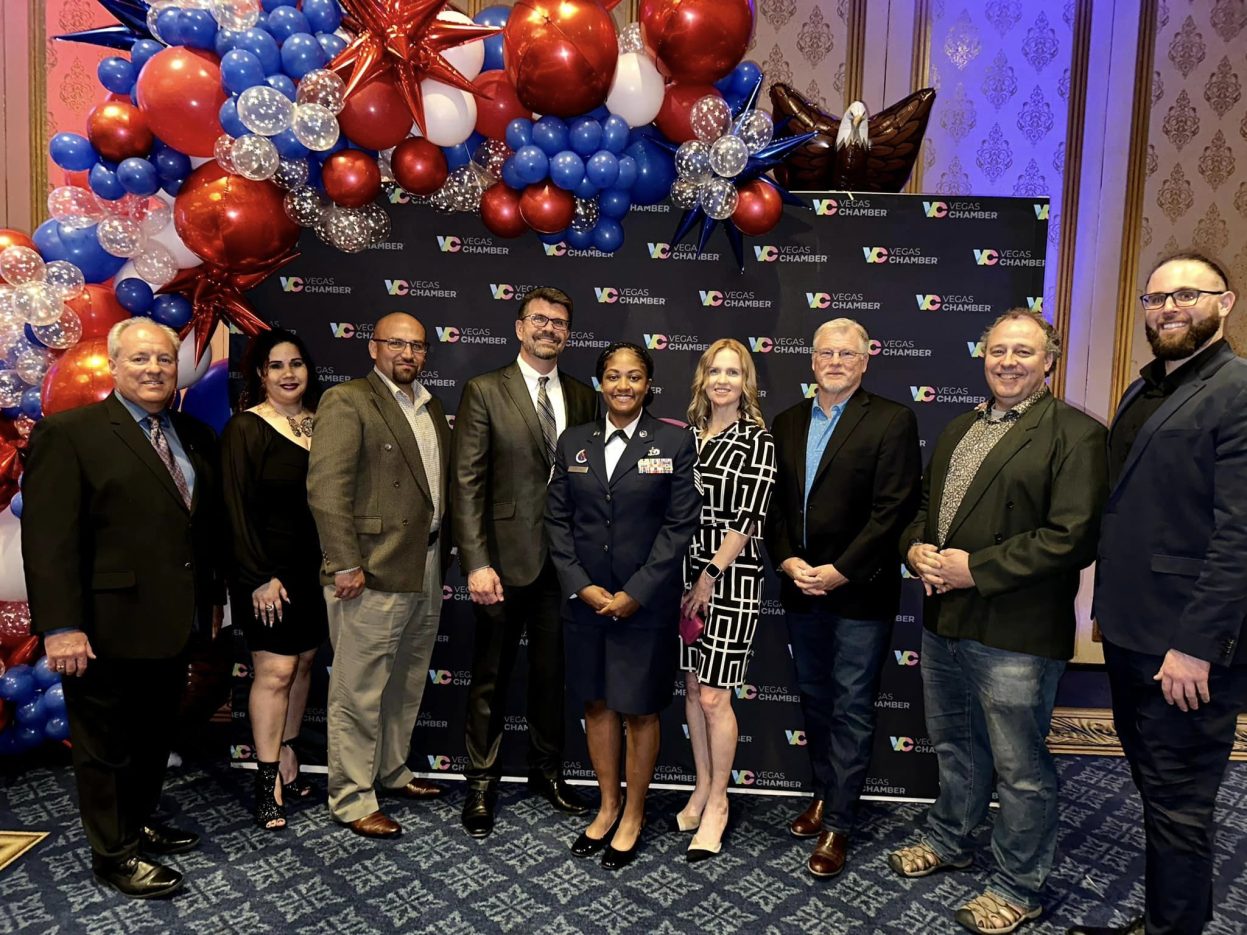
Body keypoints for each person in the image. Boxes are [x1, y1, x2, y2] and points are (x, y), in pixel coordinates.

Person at [891, 309, 1108, 935]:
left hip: (1015, 631)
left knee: (1020, 767)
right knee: (956, 746)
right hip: (944, 620)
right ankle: (951, 837)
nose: (1007, 362)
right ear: (982, 356)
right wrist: (914, 549)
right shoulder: (959, 427)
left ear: (1050, 361)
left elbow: (1073, 538)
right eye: (997, 351)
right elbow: (927, 510)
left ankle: (1019, 884)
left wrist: (975, 569)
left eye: (1022, 352)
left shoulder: (1076, 434)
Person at [1068, 254, 1247, 935]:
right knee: (1155, 793)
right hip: (1131, 635)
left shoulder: (1234, 390)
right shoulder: (1143, 390)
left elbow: (1238, 539)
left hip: (1186, 654)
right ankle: (1167, 919)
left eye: (1185, 294)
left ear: (1222, 303)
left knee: (1179, 806)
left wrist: (1195, 648)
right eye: (1155, 297)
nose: (1167, 307)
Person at [23, 318, 225, 898]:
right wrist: (61, 627)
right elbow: (49, 541)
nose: (154, 369)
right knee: (105, 743)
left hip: (171, 622)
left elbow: (199, 531)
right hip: (102, 625)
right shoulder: (70, 434)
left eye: (163, 360)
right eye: (139, 359)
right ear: (114, 366)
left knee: (152, 735)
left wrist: (209, 601)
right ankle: (114, 855)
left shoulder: (193, 434)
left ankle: (136, 823)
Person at [764, 318, 921, 879]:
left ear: (865, 361)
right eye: (826, 353)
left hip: (859, 592)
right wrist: (786, 560)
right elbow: (773, 506)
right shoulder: (784, 422)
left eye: (846, 354)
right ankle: (825, 795)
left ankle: (841, 825)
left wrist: (840, 572)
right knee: (815, 700)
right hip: (799, 585)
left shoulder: (892, 420)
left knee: (852, 706)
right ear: (811, 361)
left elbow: (893, 511)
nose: (835, 361)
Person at [545, 342, 701, 870]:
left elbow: (680, 525)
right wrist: (580, 585)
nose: (623, 386)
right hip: (586, 601)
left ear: (647, 384)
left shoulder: (674, 442)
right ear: (600, 383)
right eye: (613, 376)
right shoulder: (573, 443)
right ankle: (607, 805)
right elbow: (556, 523)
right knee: (596, 704)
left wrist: (637, 591)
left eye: (634, 377)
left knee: (638, 708)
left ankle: (634, 813)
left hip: (645, 605)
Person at [451, 287, 598, 837]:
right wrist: (475, 562)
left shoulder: (584, 397)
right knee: (489, 679)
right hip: (501, 565)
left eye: (559, 323)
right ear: (519, 327)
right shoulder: (485, 391)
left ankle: (547, 772)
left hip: (564, 569)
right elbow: (466, 483)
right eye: (539, 320)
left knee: (551, 677)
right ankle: (481, 785)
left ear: (568, 333)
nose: (549, 329)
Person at [306, 312, 451, 840]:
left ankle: (391, 770)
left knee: (407, 682)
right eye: (396, 344)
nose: (407, 354)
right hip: (367, 570)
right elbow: (326, 489)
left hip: (426, 563)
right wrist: (344, 562)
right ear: (373, 348)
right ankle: (350, 797)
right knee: (358, 690)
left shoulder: (431, 407)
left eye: (417, 346)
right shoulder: (347, 401)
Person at [222, 329, 328, 830]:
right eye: (277, 366)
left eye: (297, 364)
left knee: (304, 665)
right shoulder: (247, 428)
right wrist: (259, 576)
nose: (289, 374)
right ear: (261, 375)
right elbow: (235, 510)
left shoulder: (323, 423)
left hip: (316, 571)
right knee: (276, 672)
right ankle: (267, 783)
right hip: (267, 575)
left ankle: (287, 756)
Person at [675, 339, 776, 862]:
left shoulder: (756, 441)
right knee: (692, 690)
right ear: (703, 379)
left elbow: (748, 521)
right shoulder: (687, 438)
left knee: (716, 697)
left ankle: (718, 802)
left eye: (733, 372)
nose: (722, 380)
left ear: (745, 382)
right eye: (714, 371)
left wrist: (710, 575)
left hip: (729, 578)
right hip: (683, 574)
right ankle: (699, 786)